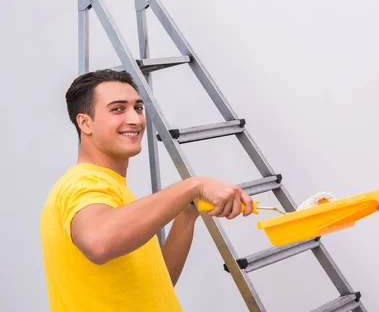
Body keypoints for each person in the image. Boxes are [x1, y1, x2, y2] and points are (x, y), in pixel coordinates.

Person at [40, 69, 254, 312]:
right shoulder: (83, 183)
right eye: (118, 109)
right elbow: (98, 242)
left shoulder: (113, 190)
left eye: (138, 108)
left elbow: (157, 283)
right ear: (85, 123)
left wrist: (186, 215)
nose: (136, 119)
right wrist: (193, 185)